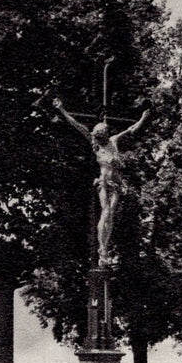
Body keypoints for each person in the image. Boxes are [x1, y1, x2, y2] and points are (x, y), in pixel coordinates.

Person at [53, 97, 149, 266]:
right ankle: (102, 249)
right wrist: (62, 109)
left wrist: (143, 117)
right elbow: (75, 124)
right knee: (105, 213)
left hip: (117, 183)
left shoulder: (113, 141)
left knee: (110, 216)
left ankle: (105, 249)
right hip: (104, 182)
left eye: (104, 134)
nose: (103, 136)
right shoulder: (95, 143)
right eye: (101, 135)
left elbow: (131, 129)